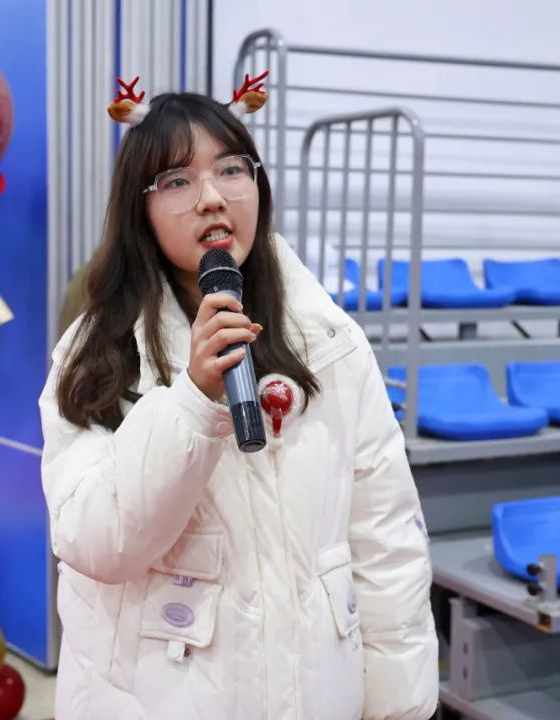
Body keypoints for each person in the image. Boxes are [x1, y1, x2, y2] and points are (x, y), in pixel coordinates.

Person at [39, 79, 438, 720]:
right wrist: (192, 401)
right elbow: (96, 542)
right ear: (138, 207)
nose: (213, 197)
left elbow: (384, 538)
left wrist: (401, 708)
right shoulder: (97, 351)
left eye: (231, 170)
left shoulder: (329, 341)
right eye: (177, 180)